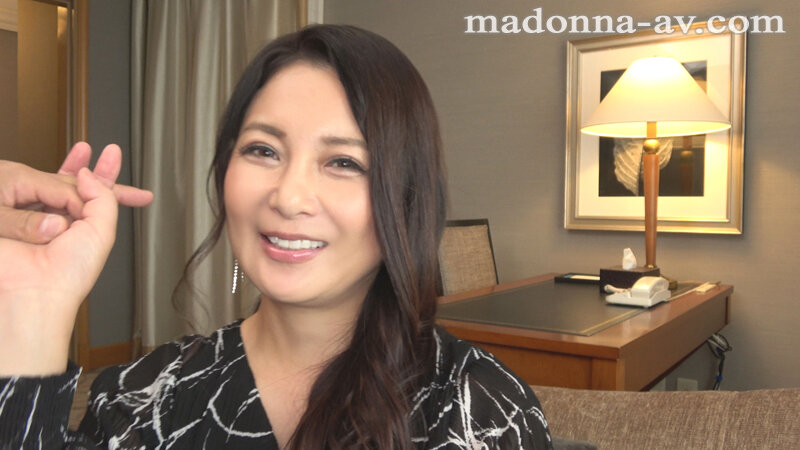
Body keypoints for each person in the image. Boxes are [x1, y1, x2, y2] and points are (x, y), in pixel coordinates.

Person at [0, 25, 552, 449]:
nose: (289, 197)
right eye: (263, 150)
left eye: (343, 162)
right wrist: (35, 304)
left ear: (405, 197)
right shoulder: (141, 396)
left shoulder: (481, 411)